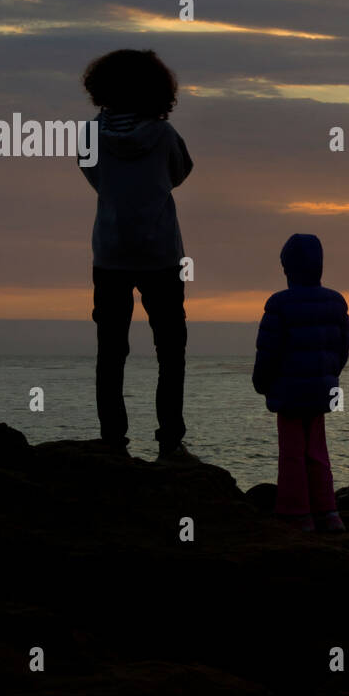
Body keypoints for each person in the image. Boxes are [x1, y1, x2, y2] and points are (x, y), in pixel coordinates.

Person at [78, 49, 197, 463]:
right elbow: (181, 172)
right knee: (171, 350)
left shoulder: (91, 134)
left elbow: (92, 176)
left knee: (110, 351)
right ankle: (170, 442)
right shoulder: (164, 136)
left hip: (110, 251)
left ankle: (113, 439)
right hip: (160, 252)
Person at [252, 234, 349, 532]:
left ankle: (297, 514)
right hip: (323, 388)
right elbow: (341, 347)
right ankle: (328, 512)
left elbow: (268, 351)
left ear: (288, 269)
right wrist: (331, 375)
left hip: (289, 392)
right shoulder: (336, 302)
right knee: (318, 451)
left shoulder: (279, 305)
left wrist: (261, 382)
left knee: (292, 452)